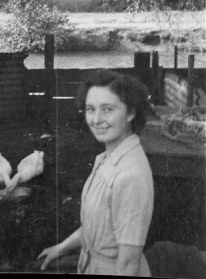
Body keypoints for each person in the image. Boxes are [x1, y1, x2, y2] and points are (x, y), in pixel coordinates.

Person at [37, 69, 154, 276]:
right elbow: (98, 227)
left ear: (130, 113)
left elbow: (128, 263)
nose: (96, 119)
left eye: (107, 109)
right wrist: (61, 248)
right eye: (90, 109)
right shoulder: (107, 159)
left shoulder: (130, 176)